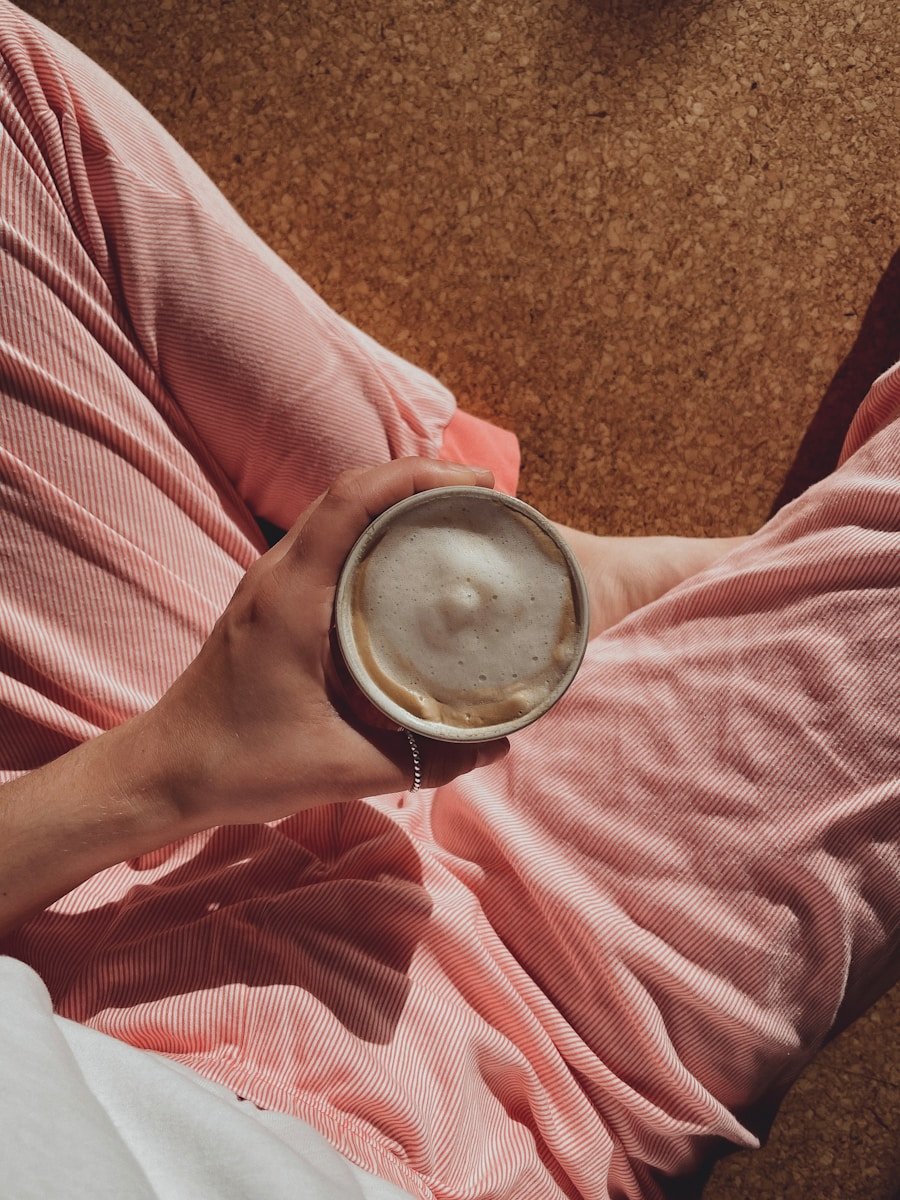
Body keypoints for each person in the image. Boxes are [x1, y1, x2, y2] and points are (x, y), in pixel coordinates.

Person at [0, 3, 897, 1197]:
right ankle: (484, 581)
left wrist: (172, 767)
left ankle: (489, 557)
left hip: (102, 866)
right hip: (508, 1062)